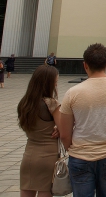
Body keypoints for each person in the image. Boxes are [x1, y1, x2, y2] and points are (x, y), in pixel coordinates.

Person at [59, 43, 106, 197]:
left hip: (80, 155)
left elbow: (64, 134)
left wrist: (73, 149)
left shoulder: (72, 93)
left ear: (85, 65)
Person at [18, 64, 61, 197]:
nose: (56, 85)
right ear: (48, 83)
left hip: (29, 154)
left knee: (26, 189)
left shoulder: (24, 103)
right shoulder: (51, 104)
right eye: (55, 82)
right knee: (45, 190)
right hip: (48, 156)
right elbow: (63, 128)